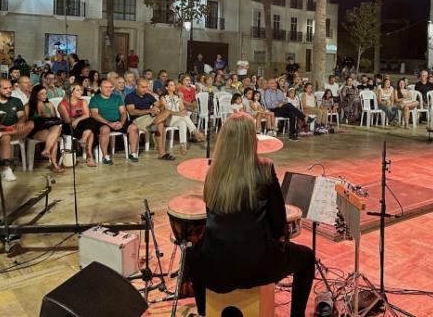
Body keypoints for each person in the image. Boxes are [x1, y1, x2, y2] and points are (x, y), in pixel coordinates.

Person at [186, 113, 315, 317]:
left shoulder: (213, 172)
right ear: (251, 140)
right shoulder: (264, 168)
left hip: (213, 266)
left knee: (192, 256)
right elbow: (278, 221)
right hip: (255, 266)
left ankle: (204, 311)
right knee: (307, 258)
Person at [89, 79, 140, 165]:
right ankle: (105, 156)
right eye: (106, 87)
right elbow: (94, 115)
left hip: (118, 121)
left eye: (110, 87)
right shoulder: (95, 99)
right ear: (100, 88)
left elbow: (123, 112)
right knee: (105, 130)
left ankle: (133, 153)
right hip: (103, 122)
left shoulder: (117, 98)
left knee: (134, 128)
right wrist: (109, 123)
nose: (109, 89)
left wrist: (122, 123)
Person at [0, 79, 34, 181]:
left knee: (31, 124)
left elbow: (21, 116)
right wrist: (3, 128)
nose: (9, 90)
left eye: (10, 88)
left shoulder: (16, 101)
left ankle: (6, 133)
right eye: (5, 88)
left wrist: (20, 121)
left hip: (15, 129)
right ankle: (6, 170)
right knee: (5, 137)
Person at [126, 79, 173, 161]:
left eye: (146, 87)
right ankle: (162, 153)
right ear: (136, 86)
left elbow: (160, 104)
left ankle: (153, 124)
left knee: (167, 111)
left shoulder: (148, 95)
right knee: (160, 124)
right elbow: (132, 112)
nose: (145, 89)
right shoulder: (130, 96)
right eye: (143, 87)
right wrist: (150, 110)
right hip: (138, 119)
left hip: (151, 118)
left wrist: (157, 108)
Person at [161, 79, 205, 156]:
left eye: (174, 85)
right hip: (168, 118)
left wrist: (183, 111)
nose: (174, 86)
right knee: (184, 117)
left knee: (183, 122)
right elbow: (167, 111)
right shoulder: (163, 97)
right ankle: (196, 132)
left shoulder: (177, 97)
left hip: (178, 118)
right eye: (171, 85)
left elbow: (182, 108)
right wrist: (178, 113)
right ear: (166, 88)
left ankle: (183, 146)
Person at [27, 84, 64, 173]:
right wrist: (40, 114)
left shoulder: (49, 104)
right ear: (35, 94)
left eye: (45, 93)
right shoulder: (29, 106)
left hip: (50, 127)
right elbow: (27, 121)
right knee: (54, 139)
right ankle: (54, 164)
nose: (45, 96)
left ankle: (46, 150)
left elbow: (55, 118)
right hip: (36, 130)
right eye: (42, 94)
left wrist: (47, 114)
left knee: (56, 129)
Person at [58, 84, 98, 166]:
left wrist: (78, 119)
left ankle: (84, 139)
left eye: (81, 90)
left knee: (90, 121)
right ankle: (89, 156)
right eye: (78, 90)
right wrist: (77, 120)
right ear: (71, 92)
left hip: (83, 123)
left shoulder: (83, 101)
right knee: (91, 128)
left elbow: (87, 114)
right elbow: (67, 120)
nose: (81, 92)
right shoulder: (62, 104)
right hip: (69, 126)